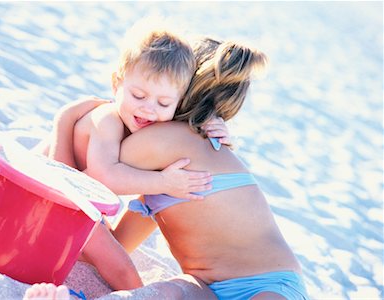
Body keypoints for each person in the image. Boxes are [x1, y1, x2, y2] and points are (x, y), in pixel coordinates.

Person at [24, 37, 310, 300]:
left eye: (163, 99)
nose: (150, 106)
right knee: (166, 291)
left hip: (266, 286)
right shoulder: (164, 176)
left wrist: (68, 118)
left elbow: (72, 177)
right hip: (204, 286)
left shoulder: (169, 141)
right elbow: (116, 245)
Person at [33, 18, 231, 292]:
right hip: (39, 194)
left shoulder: (150, 125)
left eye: (164, 103)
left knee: (107, 251)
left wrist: (213, 126)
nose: (149, 109)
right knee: (121, 267)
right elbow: (104, 174)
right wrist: (165, 183)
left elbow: (184, 134)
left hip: (73, 199)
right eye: (138, 95)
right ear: (117, 84)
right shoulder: (108, 119)